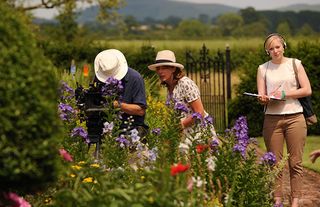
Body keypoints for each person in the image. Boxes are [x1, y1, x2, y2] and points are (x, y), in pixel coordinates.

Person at [256, 33, 312, 207]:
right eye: (271, 49)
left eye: (277, 47)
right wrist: (263, 99)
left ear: (283, 46)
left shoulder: (295, 64)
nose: (275, 51)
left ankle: (295, 201)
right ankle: (277, 200)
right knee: (275, 163)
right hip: (272, 120)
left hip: (295, 117)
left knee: (295, 162)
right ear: (267, 52)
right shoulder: (262, 68)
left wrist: (284, 94)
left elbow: (307, 90)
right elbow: (261, 95)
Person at [148, 50, 217, 138]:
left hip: (199, 133)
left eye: (164, 68)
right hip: (184, 135)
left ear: (173, 68)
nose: (160, 71)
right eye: (158, 68)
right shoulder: (169, 87)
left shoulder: (185, 83)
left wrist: (180, 125)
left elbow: (200, 113)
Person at [94, 49, 148, 137]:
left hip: (130, 130)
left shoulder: (135, 78)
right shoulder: (100, 76)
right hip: (105, 129)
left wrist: (118, 105)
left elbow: (140, 110)